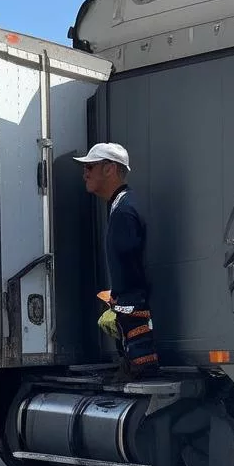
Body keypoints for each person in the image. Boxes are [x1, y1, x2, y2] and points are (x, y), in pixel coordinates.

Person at [74, 142, 159, 380]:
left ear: (109, 168)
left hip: (136, 323)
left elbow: (131, 266)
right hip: (133, 313)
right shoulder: (121, 205)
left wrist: (121, 302)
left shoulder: (124, 210)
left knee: (141, 377)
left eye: (90, 167)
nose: (84, 174)